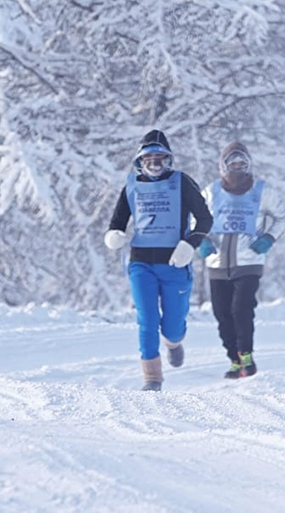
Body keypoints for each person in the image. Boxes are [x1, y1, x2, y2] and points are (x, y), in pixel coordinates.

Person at [104, 129, 213, 392]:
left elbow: (205, 219)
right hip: (141, 262)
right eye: (148, 159)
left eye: (159, 159)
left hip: (175, 262)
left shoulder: (182, 182)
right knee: (147, 318)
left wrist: (190, 244)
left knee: (173, 326)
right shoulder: (131, 185)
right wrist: (114, 235)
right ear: (139, 161)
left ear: (168, 160)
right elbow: (117, 222)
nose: (154, 164)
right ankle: (152, 378)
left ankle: (174, 343)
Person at [197, 142, 285, 378]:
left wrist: (268, 238)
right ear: (224, 166)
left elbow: (282, 218)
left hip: (249, 260)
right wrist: (201, 239)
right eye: (232, 163)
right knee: (222, 313)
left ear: (248, 165)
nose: (237, 167)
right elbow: (194, 218)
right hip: (217, 262)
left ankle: (246, 355)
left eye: (242, 163)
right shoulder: (211, 191)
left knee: (241, 309)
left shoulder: (262, 191)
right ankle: (234, 360)